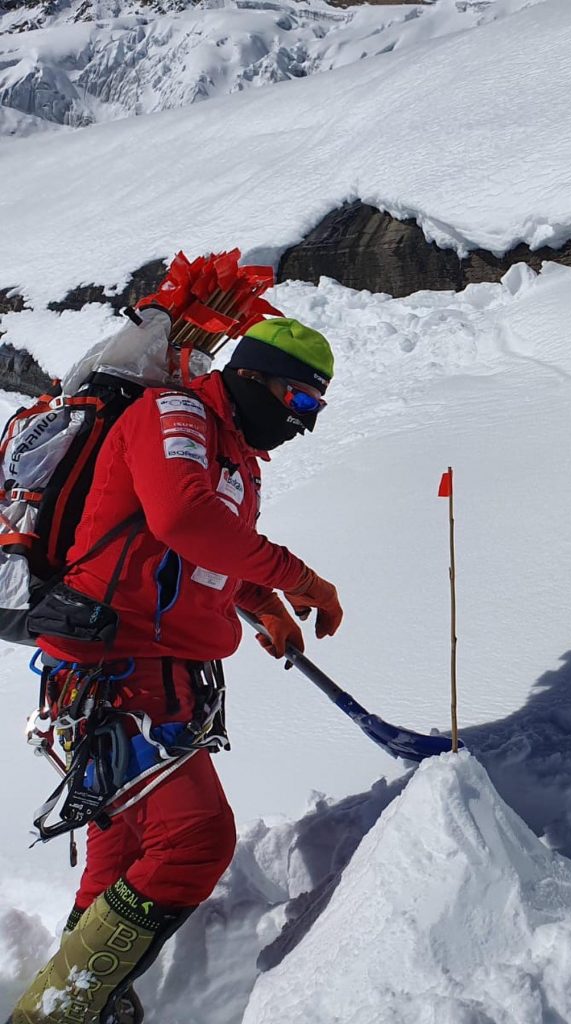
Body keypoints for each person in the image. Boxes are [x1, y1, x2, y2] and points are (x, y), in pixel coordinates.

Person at [10, 317, 342, 1024]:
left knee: (125, 845)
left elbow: (198, 550)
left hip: (150, 671)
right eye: (301, 402)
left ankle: (88, 994)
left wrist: (263, 601)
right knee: (196, 838)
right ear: (251, 376)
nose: (302, 423)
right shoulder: (174, 414)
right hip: (114, 671)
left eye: (315, 410)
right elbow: (182, 520)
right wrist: (301, 576)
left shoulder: (232, 454)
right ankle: (62, 1010)